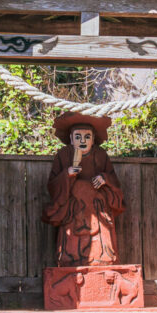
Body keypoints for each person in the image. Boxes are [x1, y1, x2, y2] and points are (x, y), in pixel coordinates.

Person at [42, 112, 125, 266]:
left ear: (93, 140)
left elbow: (115, 182)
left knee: (101, 232)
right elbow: (52, 185)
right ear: (71, 139)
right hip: (73, 208)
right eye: (78, 136)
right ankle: (69, 258)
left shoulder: (101, 155)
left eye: (87, 136)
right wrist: (66, 175)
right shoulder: (63, 155)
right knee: (71, 234)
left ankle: (103, 257)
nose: (82, 140)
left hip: (97, 205)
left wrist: (104, 179)